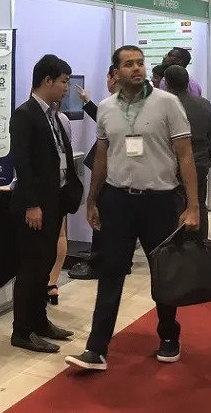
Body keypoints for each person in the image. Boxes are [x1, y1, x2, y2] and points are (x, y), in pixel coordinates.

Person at [65, 45, 199, 371]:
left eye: (140, 63)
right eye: (129, 64)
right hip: (117, 201)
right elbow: (101, 157)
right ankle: (96, 348)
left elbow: (185, 155)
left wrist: (193, 205)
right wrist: (93, 199)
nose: (137, 68)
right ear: (115, 73)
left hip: (160, 201)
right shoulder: (106, 108)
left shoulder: (167, 103)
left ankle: (169, 335)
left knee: (163, 273)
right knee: (110, 272)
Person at [9, 54, 82, 353]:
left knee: (44, 266)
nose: (67, 87)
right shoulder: (25, 114)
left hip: (55, 201)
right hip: (35, 207)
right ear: (47, 80)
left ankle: (40, 321)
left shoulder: (52, 115)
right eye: (63, 81)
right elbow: (22, 162)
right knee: (31, 268)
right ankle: (22, 331)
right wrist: (31, 204)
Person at [68, 65, 120, 281]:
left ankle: (98, 263)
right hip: (116, 171)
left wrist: (88, 103)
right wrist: (87, 102)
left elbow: (105, 123)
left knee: (102, 214)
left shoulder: (116, 105)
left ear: (113, 78)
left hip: (111, 171)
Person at [164, 65, 211, 239]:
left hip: (175, 165)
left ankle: (177, 245)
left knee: (174, 207)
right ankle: (200, 243)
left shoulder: (167, 106)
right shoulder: (204, 104)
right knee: (199, 204)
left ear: (167, 83)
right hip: (200, 162)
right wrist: (206, 159)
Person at [47, 103, 72, 305]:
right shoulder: (63, 119)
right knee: (60, 234)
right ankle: (52, 283)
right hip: (59, 183)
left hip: (51, 186)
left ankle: (50, 281)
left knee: (58, 234)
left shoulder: (60, 119)